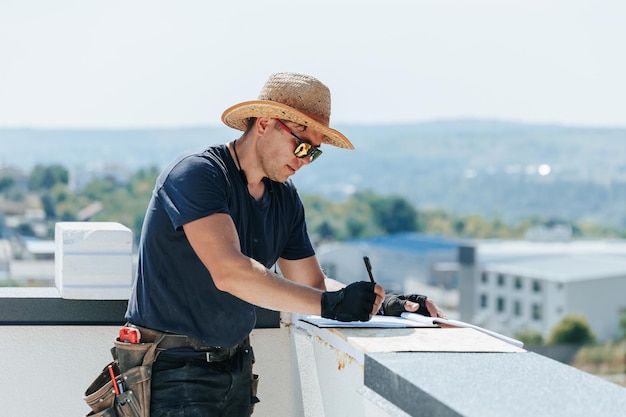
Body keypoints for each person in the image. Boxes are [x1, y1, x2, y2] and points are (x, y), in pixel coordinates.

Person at [124, 72, 445, 417]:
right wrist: (331, 305)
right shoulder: (197, 175)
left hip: (234, 367)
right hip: (171, 370)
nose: (306, 160)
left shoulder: (284, 198)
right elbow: (231, 273)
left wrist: (378, 303)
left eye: (315, 153)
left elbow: (312, 286)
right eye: (302, 146)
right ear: (265, 124)